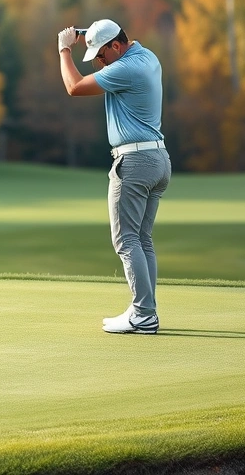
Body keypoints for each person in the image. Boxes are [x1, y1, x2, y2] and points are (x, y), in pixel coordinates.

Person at [56, 20, 172, 334]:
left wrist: (65, 49)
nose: (99, 62)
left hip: (134, 162)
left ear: (116, 46)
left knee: (126, 240)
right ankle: (146, 310)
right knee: (142, 239)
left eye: (101, 55)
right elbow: (111, 37)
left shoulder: (125, 69)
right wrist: (89, 36)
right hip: (158, 159)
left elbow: (74, 87)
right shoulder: (146, 57)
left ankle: (143, 314)